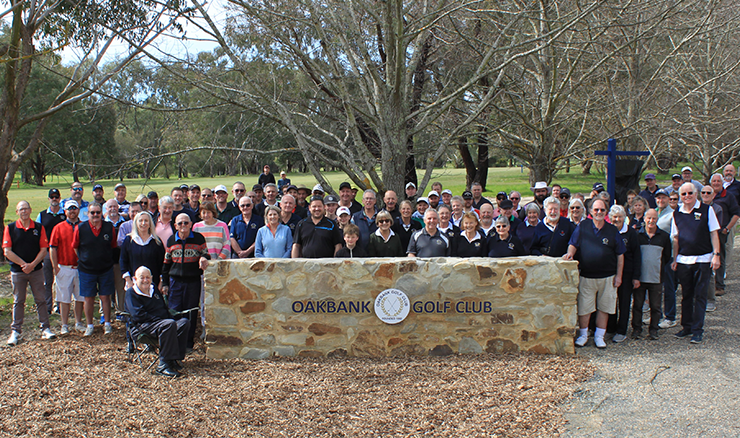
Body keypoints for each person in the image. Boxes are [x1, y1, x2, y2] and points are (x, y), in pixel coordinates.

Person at [564, 198, 626, 349]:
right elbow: (573, 243)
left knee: (604, 308)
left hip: (608, 277)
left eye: (602, 210)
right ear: (590, 211)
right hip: (587, 276)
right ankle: (583, 335)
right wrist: (570, 254)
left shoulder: (612, 230)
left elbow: (620, 255)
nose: (599, 212)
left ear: (606, 212)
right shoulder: (583, 226)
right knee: (584, 308)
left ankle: (599, 336)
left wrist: (619, 276)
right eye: (596, 209)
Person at [670, 183, 721, 344]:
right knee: (686, 295)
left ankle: (697, 330)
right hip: (684, 260)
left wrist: (716, 255)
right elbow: (676, 238)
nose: (687, 196)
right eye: (683, 194)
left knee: (700, 296)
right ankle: (687, 327)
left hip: (703, 260)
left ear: (696, 193)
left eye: (690, 193)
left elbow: (714, 233)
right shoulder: (677, 213)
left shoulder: (707, 210)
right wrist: (675, 259)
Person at [3, 201, 55, 345]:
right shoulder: (10, 228)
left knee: (41, 300)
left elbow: (43, 249)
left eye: (26, 209)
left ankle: (45, 328)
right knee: (18, 301)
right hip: (18, 272)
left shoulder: (38, 227)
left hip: (36, 271)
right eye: (21, 209)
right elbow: (7, 251)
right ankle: (15, 331)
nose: (24, 211)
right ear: (17, 212)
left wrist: (32, 265)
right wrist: (23, 265)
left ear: (30, 210)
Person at [125, 266, 190, 378]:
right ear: (135, 279)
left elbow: (163, 308)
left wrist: (170, 318)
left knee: (184, 323)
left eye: (147, 277)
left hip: (161, 324)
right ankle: (163, 365)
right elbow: (138, 316)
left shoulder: (153, 289)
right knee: (168, 325)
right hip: (142, 326)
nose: (145, 280)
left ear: (151, 278)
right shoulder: (131, 293)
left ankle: (174, 359)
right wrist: (162, 320)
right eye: (142, 277)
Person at [161, 213, 210, 350]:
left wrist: (204, 258)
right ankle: (175, 343)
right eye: (180, 223)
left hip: (193, 281)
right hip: (175, 282)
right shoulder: (171, 240)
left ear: (191, 224)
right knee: (175, 311)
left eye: (186, 223)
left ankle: (188, 343)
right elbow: (166, 264)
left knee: (191, 313)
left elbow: (206, 254)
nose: (183, 225)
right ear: (175, 226)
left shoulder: (198, 238)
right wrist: (165, 283)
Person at [73, 202, 117, 337]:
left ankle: (107, 324)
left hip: (105, 268)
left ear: (102, 213)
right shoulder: (80, 228)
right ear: (88, 214)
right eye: (92, 212)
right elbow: (75, 247)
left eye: (98, 212)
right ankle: (90, 325)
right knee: (89, 298)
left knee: (105, 297)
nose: (95, 215)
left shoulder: (109, 227)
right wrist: (84, 259)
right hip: (87, 270)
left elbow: (113, 245)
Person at [633, 209, 673, 340]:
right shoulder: (637, 235)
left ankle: (654, 329)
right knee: (637, 305)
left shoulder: (664, 236)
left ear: (657, 219)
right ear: (644, 219)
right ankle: (637, 329)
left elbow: (666, 256)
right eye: (649, 218)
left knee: (655, 306)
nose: (651, 221)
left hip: (656, 277)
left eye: (654, 218)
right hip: (640, 277)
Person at [607, 205, 642, 343]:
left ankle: (621, 330)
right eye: (614, 217)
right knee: (610, 302)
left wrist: (636, 276)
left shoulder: (631, 233)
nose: (617, 219)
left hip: (627, 273)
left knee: (624, 302)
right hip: (610, 272)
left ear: (624, 218)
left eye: (620, 217)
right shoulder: (608, 231)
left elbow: (637, 255)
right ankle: (610, 328)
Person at [49, 200, 85, 334]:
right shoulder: (58, 227)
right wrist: (55, 267)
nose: (72, 211)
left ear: (78, 210)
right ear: (65, 211)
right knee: (64, 298)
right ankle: (64, 324)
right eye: (70, 209)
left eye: (74, 208)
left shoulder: (84, 226)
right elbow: (52, 248)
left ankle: (78, 322)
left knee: (80, 298)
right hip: (64, 267)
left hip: (81, 268)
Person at [120, 211, 166, 296]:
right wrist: (128, 281)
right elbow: (123, 261)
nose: (143, 223)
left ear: (150, 223)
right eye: (140, 221)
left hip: (153, 285)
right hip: (133, 284)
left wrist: (161, 282)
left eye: (146, 220)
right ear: (136, 223)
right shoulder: (129, 240)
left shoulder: (156, 242)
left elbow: (162, 264)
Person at [709, 173, 739, 297]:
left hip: (720, 232)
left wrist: (727, 228)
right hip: (706, 232)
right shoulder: (707, 194)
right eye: (714, 181)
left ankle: (719, 285)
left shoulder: (728, 196)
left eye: (718, 181)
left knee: (719, 257)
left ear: (722, 183)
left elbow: (736, 213)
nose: (716, 183)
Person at [37, 188, 66, 314]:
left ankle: (60, 306)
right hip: (47, 251)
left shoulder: (65, 214)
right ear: (48, 199)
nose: (54, 199)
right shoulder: (42, 215)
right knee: (47, 281)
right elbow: (37, 233)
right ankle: (48, 307)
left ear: (60, 198)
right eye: (52, 197)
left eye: (56, 197)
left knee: (61, 280)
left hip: (62, 252)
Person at [104, 199, 126, 314]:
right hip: (106, 262)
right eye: (110, 207)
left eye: (115, 206)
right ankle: (104, 312)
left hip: (120, 261)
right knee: (105, 288)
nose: (113, 209)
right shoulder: (102, 223)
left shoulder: (125, 223)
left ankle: (120, 311)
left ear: (118, 208)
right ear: (106, 209)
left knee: (120, 289)